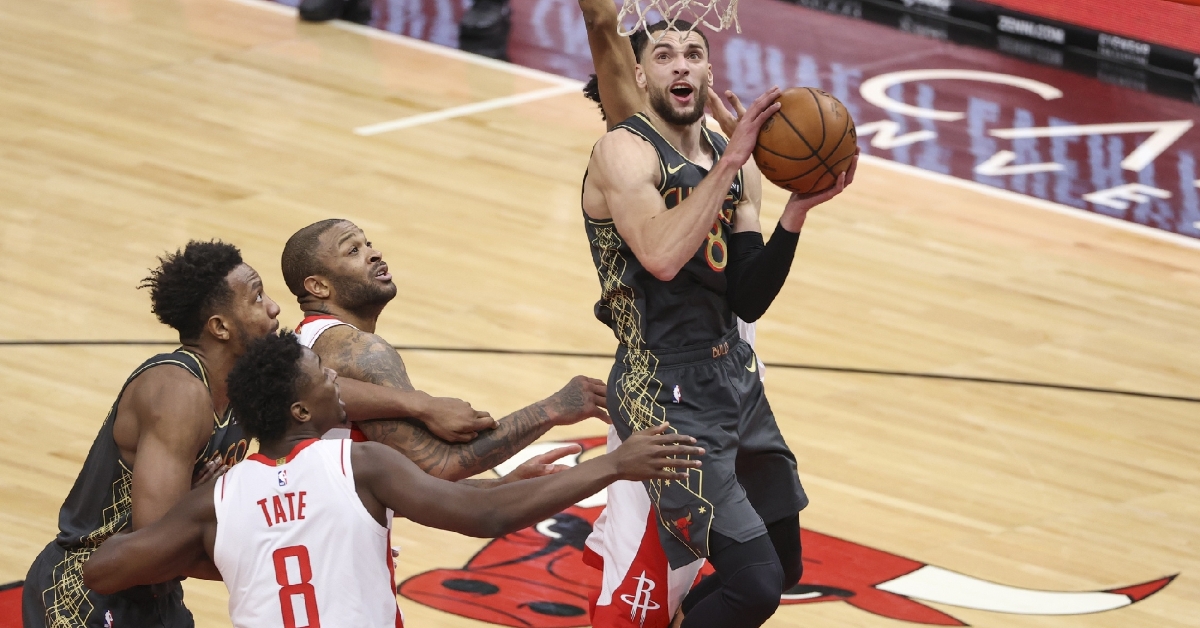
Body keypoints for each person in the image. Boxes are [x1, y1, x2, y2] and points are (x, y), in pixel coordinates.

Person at [80, 333, 704, 628]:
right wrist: (614, 465)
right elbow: (482, 519)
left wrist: (219, 533)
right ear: (300, 412)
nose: (333, 382)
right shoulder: (361, 464)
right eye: (319, 378)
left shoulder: (219, 497)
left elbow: (104, 570)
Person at [580, 16, 858, 628]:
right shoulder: (622, 152)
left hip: (733, 372)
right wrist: (731, 162)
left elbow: (749, 295)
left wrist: (796, 211)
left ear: (708, 74)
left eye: (694, 53)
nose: (680, 63)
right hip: (662, 390)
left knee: (783, 568)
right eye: (664, 55)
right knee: (753, 587)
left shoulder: (730, 160)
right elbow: (659, 253)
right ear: (638, 73)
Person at [22, 240, 280, 628]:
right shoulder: (178, 393)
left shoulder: (243, 388)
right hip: (85, 590)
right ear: (220, 327)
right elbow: (157, 547)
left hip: (154, 593)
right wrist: (274, 563)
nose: (274, 307)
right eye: (258, 297)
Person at [280, 218, 610, 482]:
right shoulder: (360, 351)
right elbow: (438, 466)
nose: (374, 253)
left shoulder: (307, 342)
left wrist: (500, 486)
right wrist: (552, 408)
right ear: (319, 287)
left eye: (367, 243)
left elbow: (403, 480)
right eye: (352, 251)